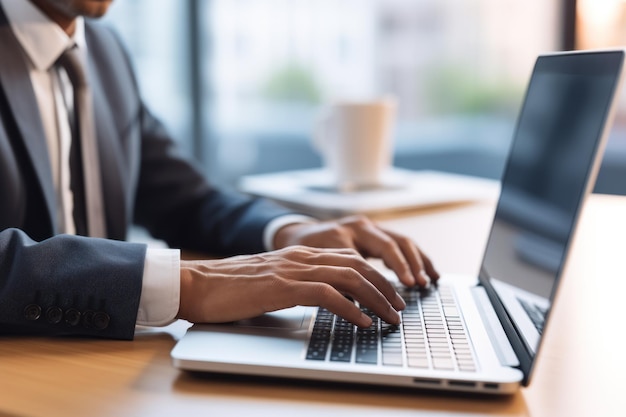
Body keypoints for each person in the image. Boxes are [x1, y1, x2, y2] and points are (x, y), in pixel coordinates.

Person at [0, 0, 439, 340]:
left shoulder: (104, 50)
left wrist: (288, 232)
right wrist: (188, 286)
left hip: (107, 357)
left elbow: (184, 198)